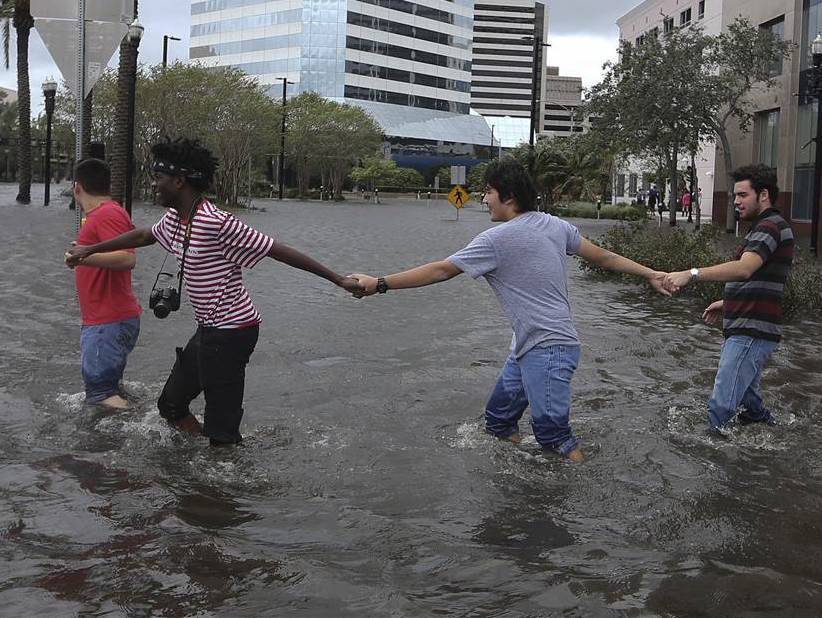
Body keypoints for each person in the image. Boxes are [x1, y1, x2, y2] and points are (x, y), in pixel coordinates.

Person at [344, 157, 678, 462]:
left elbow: (442, 270)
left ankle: (575, 497)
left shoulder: (496, 239)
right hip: (528, 348)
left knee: (554, 437)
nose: (483, 199)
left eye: (488, 192)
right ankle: (517, 487)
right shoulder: (554, 225)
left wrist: (380, 283)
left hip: (548, 349)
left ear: (509, 197)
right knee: (500, 421)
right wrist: (652, 274)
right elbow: (603, 257)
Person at [66, 137, 353, 446]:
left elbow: (276, 250)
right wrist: (89, 249)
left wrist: (338, 279)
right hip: (208, 330)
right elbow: (144, 236)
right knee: (170, 406)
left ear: (179, 181)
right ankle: (204, 465)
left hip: (233, 331)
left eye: (158, 178)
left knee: (222, 430)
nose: (152, 184)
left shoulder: (216, 222)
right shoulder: (176, 219)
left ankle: (223, 471)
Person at [663, 164, 793, 434]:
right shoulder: (765, 226)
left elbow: (744, 268)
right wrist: (728, 303)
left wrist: (692, 273)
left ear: (764, 195)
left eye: (743, 195)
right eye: (734, 196)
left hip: (751, 331)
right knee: (749, 403)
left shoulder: (769, 226)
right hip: (748, 324)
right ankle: (776, 439)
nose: (736, 201)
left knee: (720, 407)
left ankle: (717, 464)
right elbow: (762, 276)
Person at [62, 158, 141, 410]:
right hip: (108, 320)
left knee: (100, 395)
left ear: (77, 187)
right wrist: (83, 256)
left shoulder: (107, 213)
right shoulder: (107, 214)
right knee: (108, 389)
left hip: (106, 322)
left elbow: (128, 258)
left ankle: (138, 437)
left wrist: (83, 256)